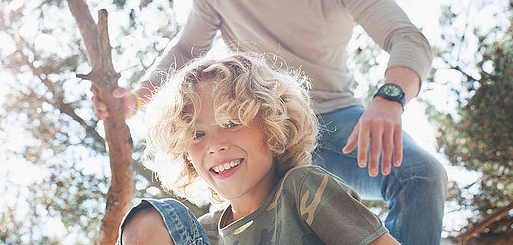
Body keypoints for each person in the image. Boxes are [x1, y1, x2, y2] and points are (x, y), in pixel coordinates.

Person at [94, 0, 447, 244]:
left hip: (337, 120)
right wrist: (134, 99)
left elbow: (407, 37)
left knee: (423, 175)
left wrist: (389, 100)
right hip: (253, 123)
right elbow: (186, 49)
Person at [117, 52, 399, 245]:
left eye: (231, 122)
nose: (215, 145)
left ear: (272, 125)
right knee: (148, 220)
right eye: (198, 134)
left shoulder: (302, 189)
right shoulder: (202, 233)